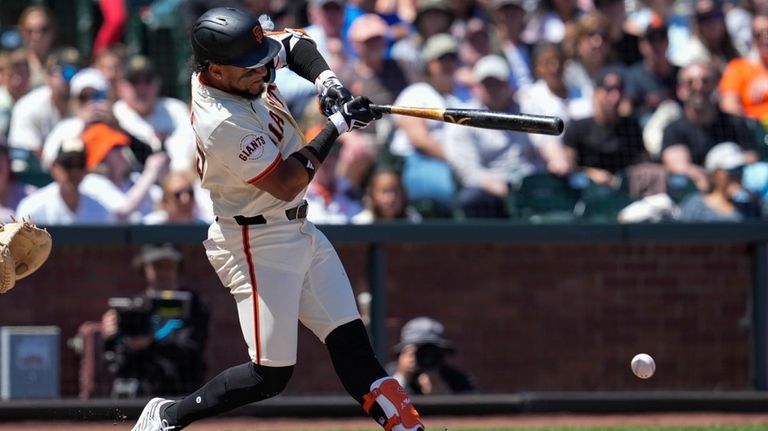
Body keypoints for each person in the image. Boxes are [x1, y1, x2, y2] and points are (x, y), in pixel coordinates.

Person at [131, 7, 424, 431]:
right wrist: (336, 125)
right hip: (254, 242)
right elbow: (288, 182)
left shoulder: (239, 63)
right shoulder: (220, 120)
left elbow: (297, 44)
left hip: (300, 229)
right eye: (250, 67)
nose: (264, 72)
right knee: (269, 376)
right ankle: (168, 416)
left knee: (355, 349)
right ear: (215, 69)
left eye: (261, 59)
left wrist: (330, 85)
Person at [101, 243, 210, 398]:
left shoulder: (192, 304)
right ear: (144, 269)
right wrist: (110, 337)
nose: (163, 273)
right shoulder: (132, 305)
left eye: (169, 267)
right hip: (138, 389)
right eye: (157, 267)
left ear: (178, 269)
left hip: (180, 388)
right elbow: (113, 360)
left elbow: (191, 349)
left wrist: (150, 343)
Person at [444, 55, 546, 218]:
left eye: (498, 83)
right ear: (476, 87)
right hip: (490, 189)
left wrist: (557, 159)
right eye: (487, 84)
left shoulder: (528, 109)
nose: (493, 89)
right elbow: (468, 170)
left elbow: (546, 142)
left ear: (508, 85)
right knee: (471, 198)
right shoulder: (461, 119)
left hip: (531, 183)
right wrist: (502, 189)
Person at [15, 137, 114, 225]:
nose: (74, 171)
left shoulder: (100, 210)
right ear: (54, 167)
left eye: (80, 165)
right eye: (68, 164)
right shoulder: (33, 208)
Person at [387, 317, 476, 395]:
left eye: (431, 352)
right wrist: (402, 376)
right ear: (404, 352)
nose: (426, 357)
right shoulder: (386, 376)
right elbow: (382, 405)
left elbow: (473, 407)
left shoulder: (457, 379)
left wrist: (445, 396)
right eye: (418, 351)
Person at [678, 142, 760, 221]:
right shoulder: (695, 206)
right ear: (714, 174)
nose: (737, 175)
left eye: (740, 169)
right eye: (731, 170)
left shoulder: (749, 209)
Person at [352, 166, 423, 224]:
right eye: (385, 191)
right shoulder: (361, 224)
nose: (391, 198)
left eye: (396, 191)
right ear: (372, 195)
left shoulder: (413, 220)